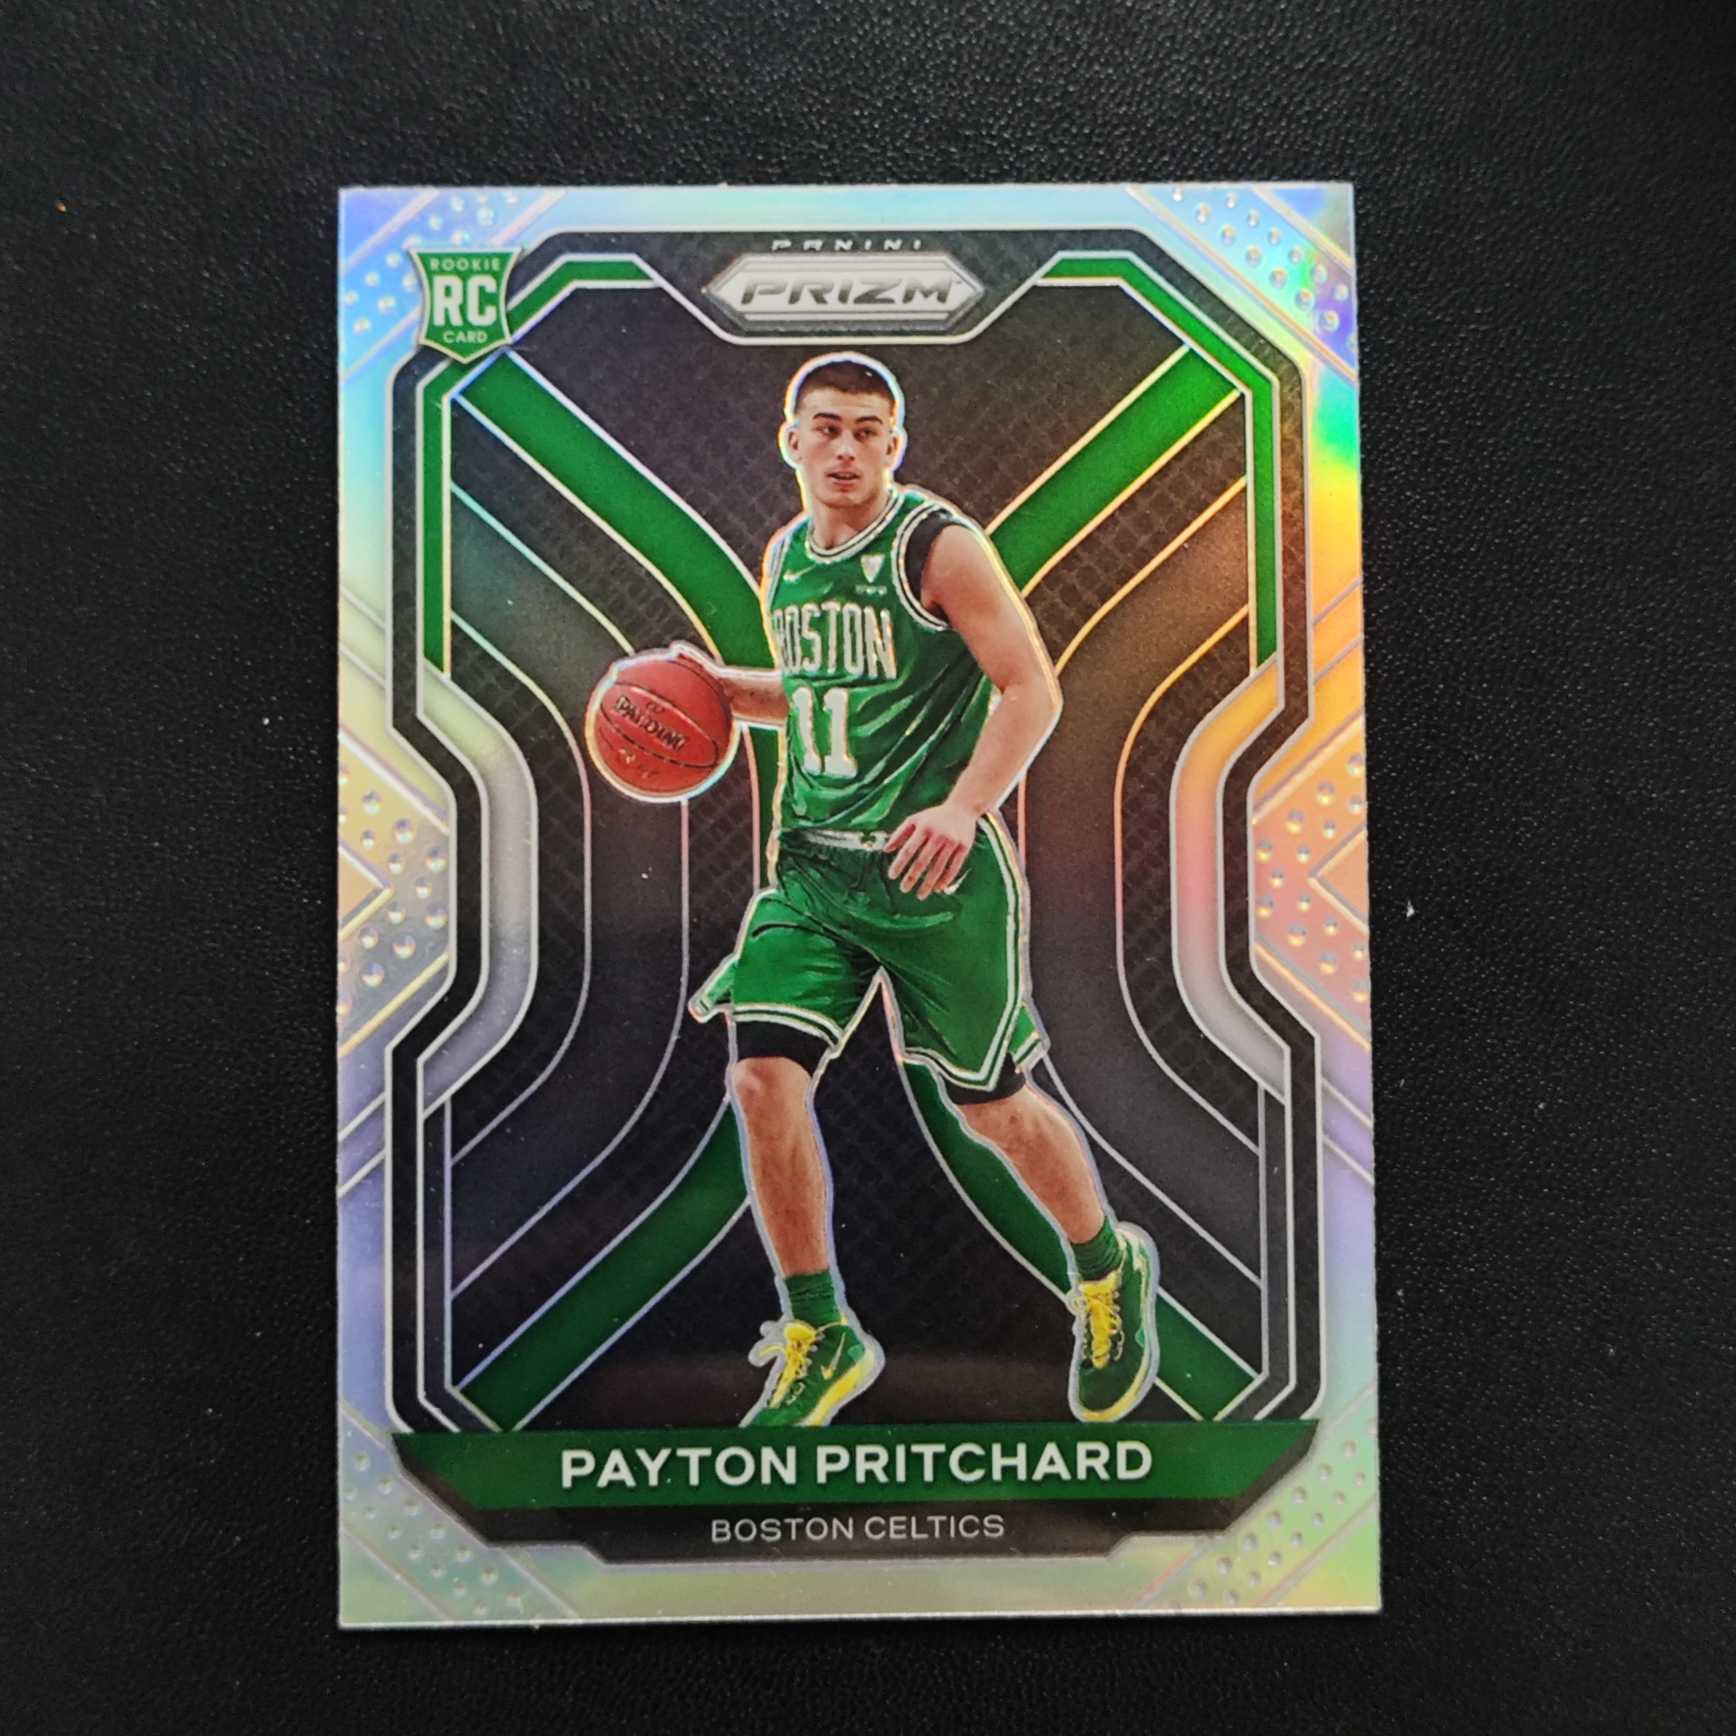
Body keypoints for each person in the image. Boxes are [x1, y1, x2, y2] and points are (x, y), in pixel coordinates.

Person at [680, 352, 1158, 1427]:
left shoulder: (938, 546)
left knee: (992, 1109)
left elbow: (1029, 689)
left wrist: (961, 808)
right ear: (791, 441)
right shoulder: (785, 555)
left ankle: (1104, 1269)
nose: (845, 448)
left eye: (867, 430)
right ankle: (821, 1330)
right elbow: (828, 696)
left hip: (932, 874)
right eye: (826, 427)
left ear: (895, 445)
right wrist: (725, 693)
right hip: (814, 870)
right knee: (759, 1080)